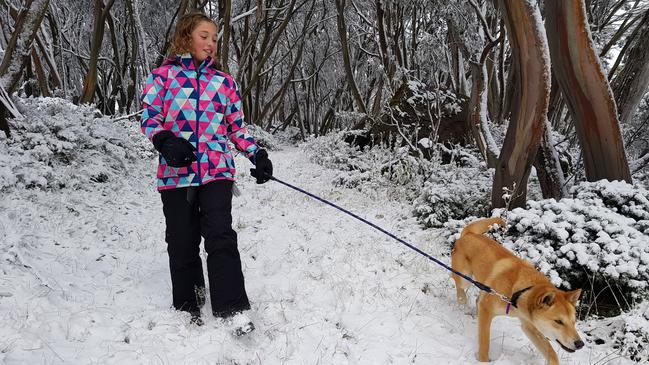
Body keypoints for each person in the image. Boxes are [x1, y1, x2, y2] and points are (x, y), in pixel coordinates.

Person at [139, 12, 272, 333]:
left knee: (220, 235)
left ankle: (233, 308)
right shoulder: (162, 78)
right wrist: (166, 141)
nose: (211, 43)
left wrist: (257, 154)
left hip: (216, 173)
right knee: (182, 241)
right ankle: (190, 301)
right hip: (175, 174)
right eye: (204, 36)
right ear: (186, 36)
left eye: (214, 38)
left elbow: (236, 129)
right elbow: (149, 118)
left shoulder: (223, 83)